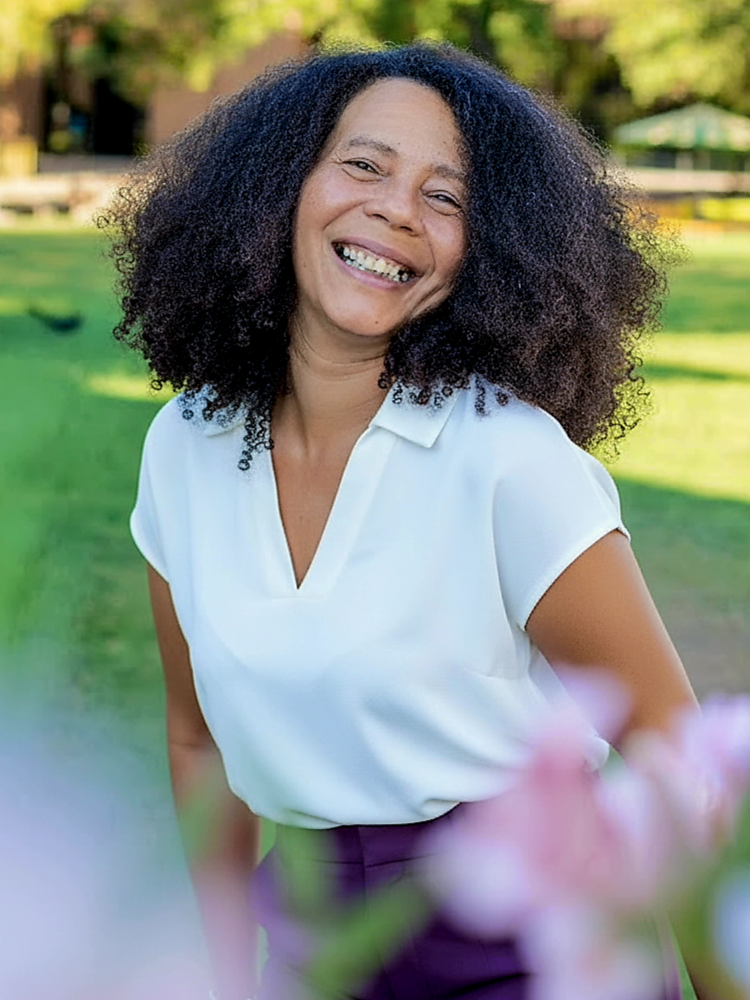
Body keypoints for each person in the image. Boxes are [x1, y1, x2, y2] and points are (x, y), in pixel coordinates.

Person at [104, 43, 704, 1000]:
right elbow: (196, 741)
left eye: (448, 196)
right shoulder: (185, 445)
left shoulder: (511, 461)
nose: (396, 210)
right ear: (279, 186)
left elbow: (675, 761)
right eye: (365, 165)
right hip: (311, 947)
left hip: (529, 941)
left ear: (491, 249)